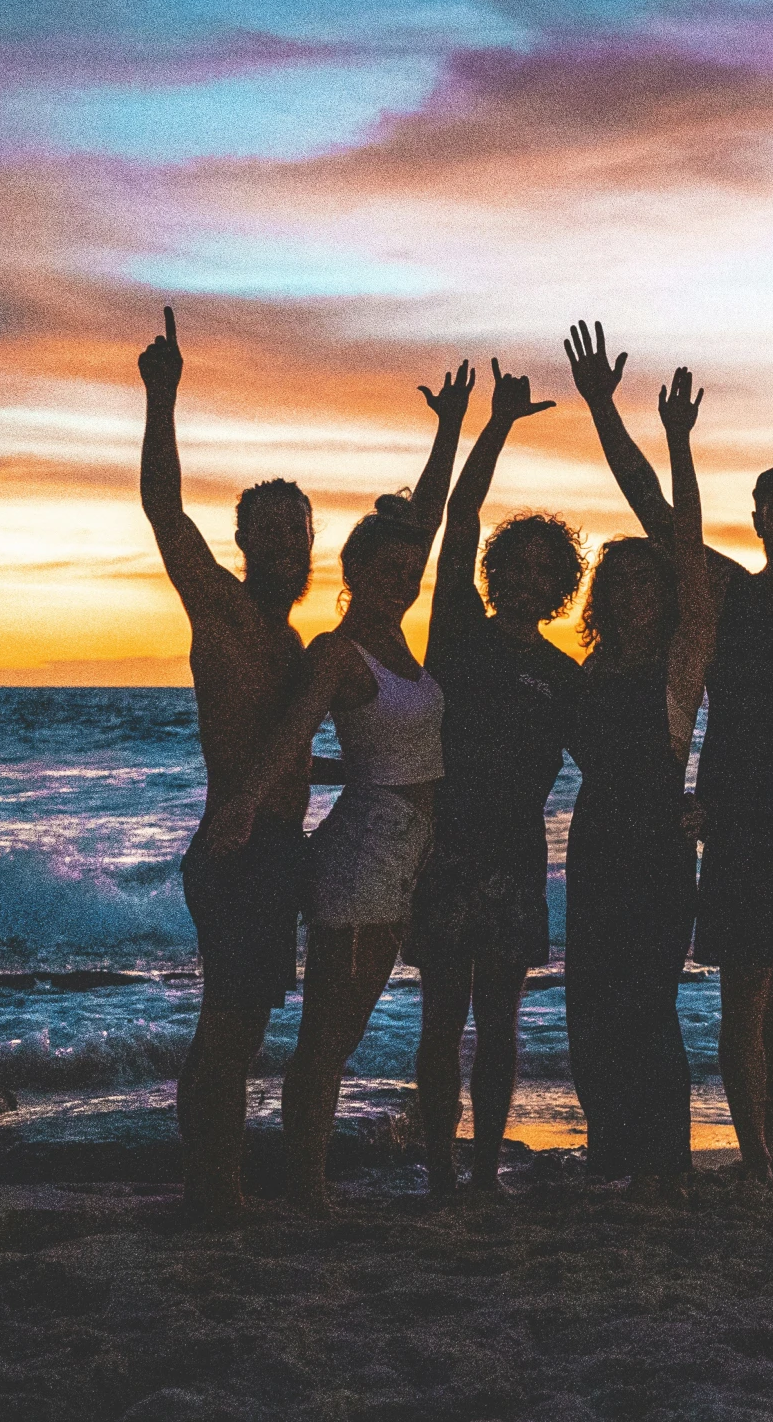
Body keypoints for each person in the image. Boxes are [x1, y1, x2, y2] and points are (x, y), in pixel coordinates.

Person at [568, 321, 773, 1185]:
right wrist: (619, 416)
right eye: (772, 507)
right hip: (742, 821)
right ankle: (755, 1154)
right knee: (745, 992)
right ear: (758, 518)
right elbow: (657, 514)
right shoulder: (732, 598)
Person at [201, 362, 471, 1212]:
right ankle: (307, 1191)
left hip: (401, 856)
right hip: (358, 855)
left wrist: (451, 430)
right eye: (384, 567)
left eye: (408, 567)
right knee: (327, 1038)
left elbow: (421, 523)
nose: (402, 575)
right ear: (352, 571)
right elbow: (288, 737)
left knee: (337, 1035)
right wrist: (241, 805)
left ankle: (300, 1184)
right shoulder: (339, 652)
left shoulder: (401, 644)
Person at [139, 307, 318, 1224]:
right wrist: (162, 394)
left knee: (246, 1029)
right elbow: (166, 513)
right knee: (228, 1027)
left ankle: (223, 1181)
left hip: (279, 850)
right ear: (244, 539)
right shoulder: (224, 612)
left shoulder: (294, 647)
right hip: (237, 852)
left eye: (301, 531)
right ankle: (210, 1187)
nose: (289, 544)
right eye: (273, 530)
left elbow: (285, 757)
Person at [406, 361, 585, 1198]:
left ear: (559, 587)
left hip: (516, 858)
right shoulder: (458, 633)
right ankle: (440, 1165)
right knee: (441, 1015)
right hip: (445, 850)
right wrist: (497, 424)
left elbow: (612, 765)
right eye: (514, 564)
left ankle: (483, 1169)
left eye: (543, 569)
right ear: (495, 572)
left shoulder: (563, 673)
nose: (523, 577)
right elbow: (463, 514)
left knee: (502, 1022)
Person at [561, 367, 710, 1199]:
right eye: (619, 584)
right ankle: (610, 1150)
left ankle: (663, 1159)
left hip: (657, 847)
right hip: (595, 844)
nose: (634, 594)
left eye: (646, 581)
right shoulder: (589, 671)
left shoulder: (678, 668)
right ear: (602, 599)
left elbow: (687, 548)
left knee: (648, 1004)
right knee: (591, 1003)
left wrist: (675, 441)